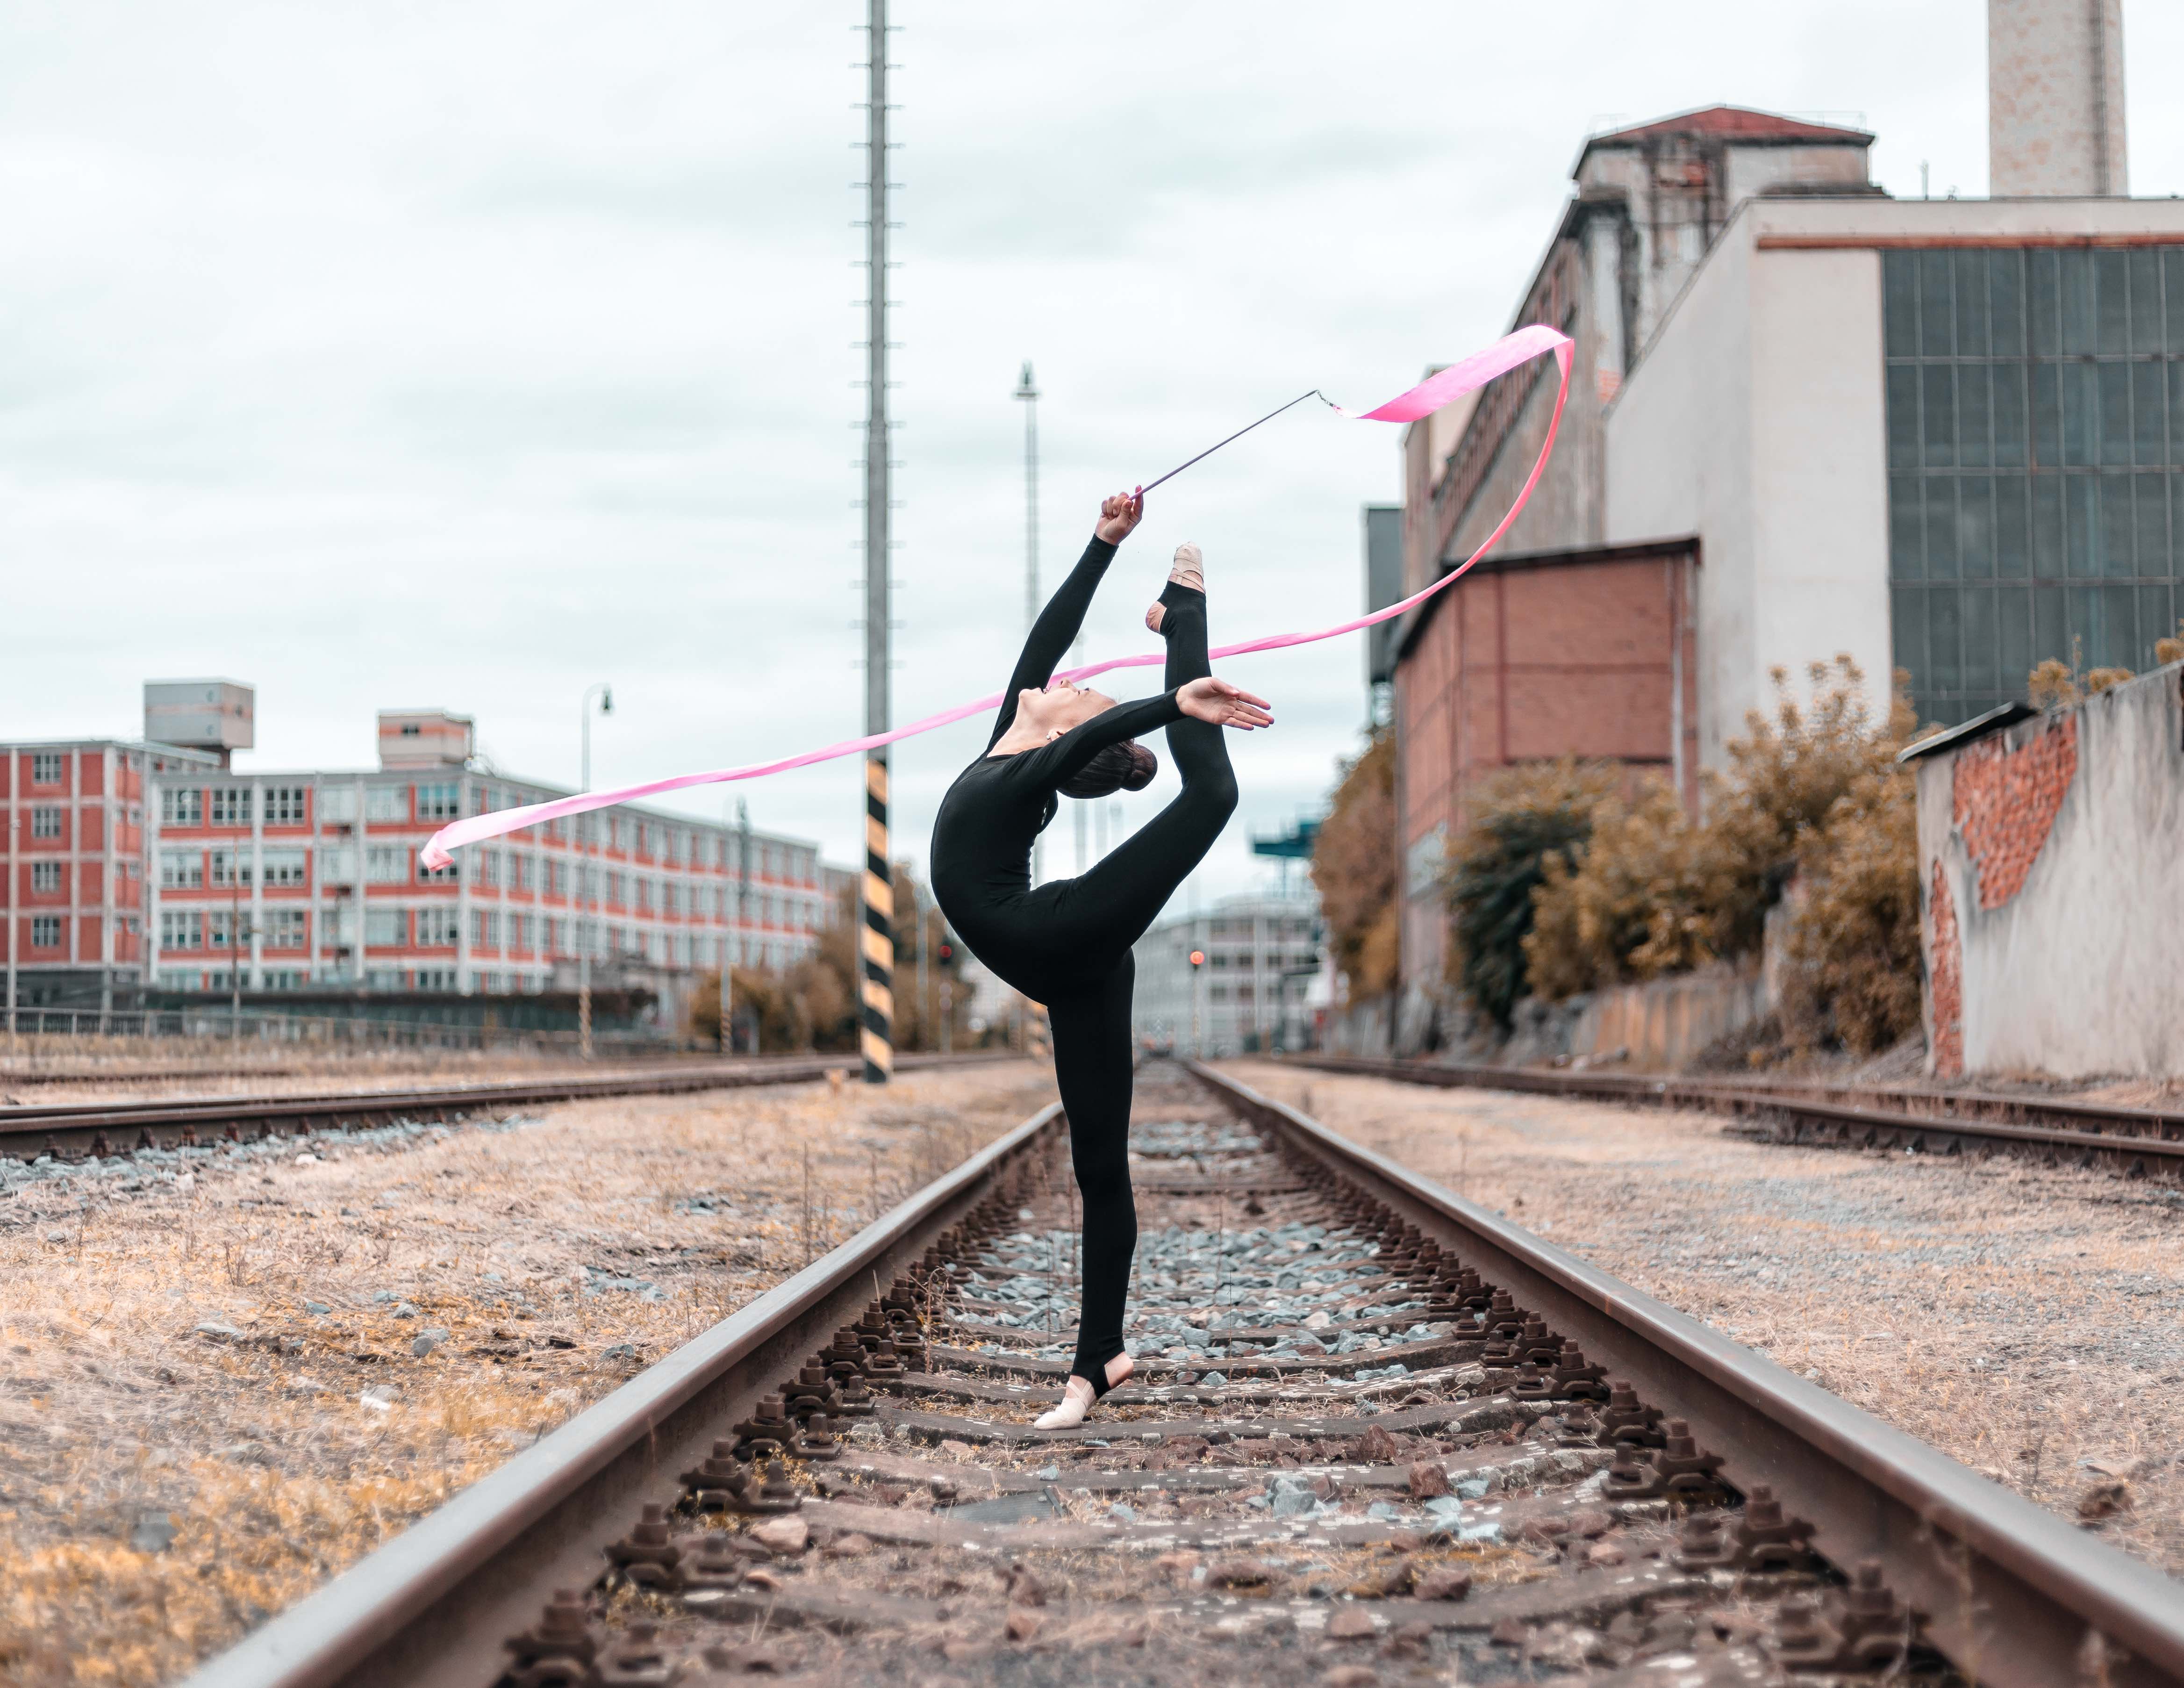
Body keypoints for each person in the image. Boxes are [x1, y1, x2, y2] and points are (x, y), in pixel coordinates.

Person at [930, 490, 1273, 1429]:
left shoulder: (1028, 764)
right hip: (1067, 957)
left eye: (1079, 693)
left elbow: (1076, 734)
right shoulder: (1013, 749)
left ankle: (1186, 618)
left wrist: (1170, 701)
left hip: (1062, 934)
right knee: (1099, 1165)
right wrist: (1101, 545)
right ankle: (1100, 1359)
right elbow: (1046, 646)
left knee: (1211, 798)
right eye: (1077, 689)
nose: (1070, 680)